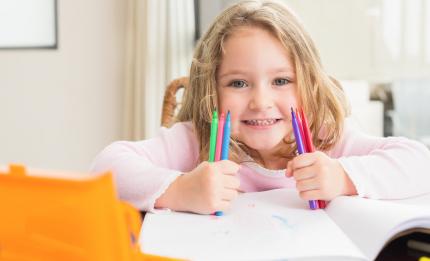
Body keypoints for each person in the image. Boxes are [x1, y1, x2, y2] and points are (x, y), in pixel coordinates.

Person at [90, 0, 430, 214]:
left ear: (309, 83)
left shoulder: (326, 139)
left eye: (281, 81)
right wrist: (180, 190)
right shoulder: (197, 141)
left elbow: (420, 162)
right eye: (238, 83)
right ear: (212, 89)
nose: (261, 102)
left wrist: (342, 177)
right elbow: (105, 169)